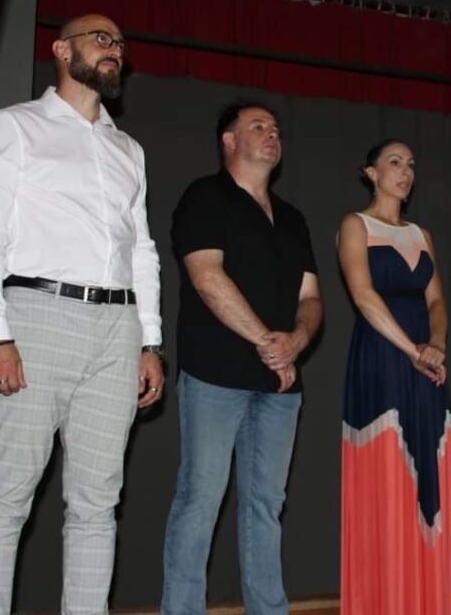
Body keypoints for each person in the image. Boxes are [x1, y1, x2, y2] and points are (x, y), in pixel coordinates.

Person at [0, 13, 164, 614]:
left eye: (119, 42)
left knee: (98, 504)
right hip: (35, 315)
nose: (114, 49)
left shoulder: (129, 149)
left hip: (117, 328)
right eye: (101, 38)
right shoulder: (14, 126)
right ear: (60, 50)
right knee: (6, 498)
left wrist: (149, 341)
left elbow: (142, 250)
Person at [161, 102, 323, 615]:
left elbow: (311, 298)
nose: (272, 134)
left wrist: (296, 340)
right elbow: (207, 276)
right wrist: (268, 342)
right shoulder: (204, 197)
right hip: (215, 375)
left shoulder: (292, 218)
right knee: (200, 499)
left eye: (275, 128)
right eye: (258, 126)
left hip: (280, 387)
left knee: (266, 507)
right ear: (229, 141)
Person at [338, 139, 451, 614]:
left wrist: (437, 346)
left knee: (428, 465)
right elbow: (363, 295)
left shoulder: (421, 234)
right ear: (370, 173)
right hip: (383, 355)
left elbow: (437, 301)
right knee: (389, 474)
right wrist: (413, 350)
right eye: (394, 163)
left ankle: (429, 599)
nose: (405, 171)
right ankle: (387, 600)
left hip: (426, 360)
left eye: (410, 164)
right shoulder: (355, 225)